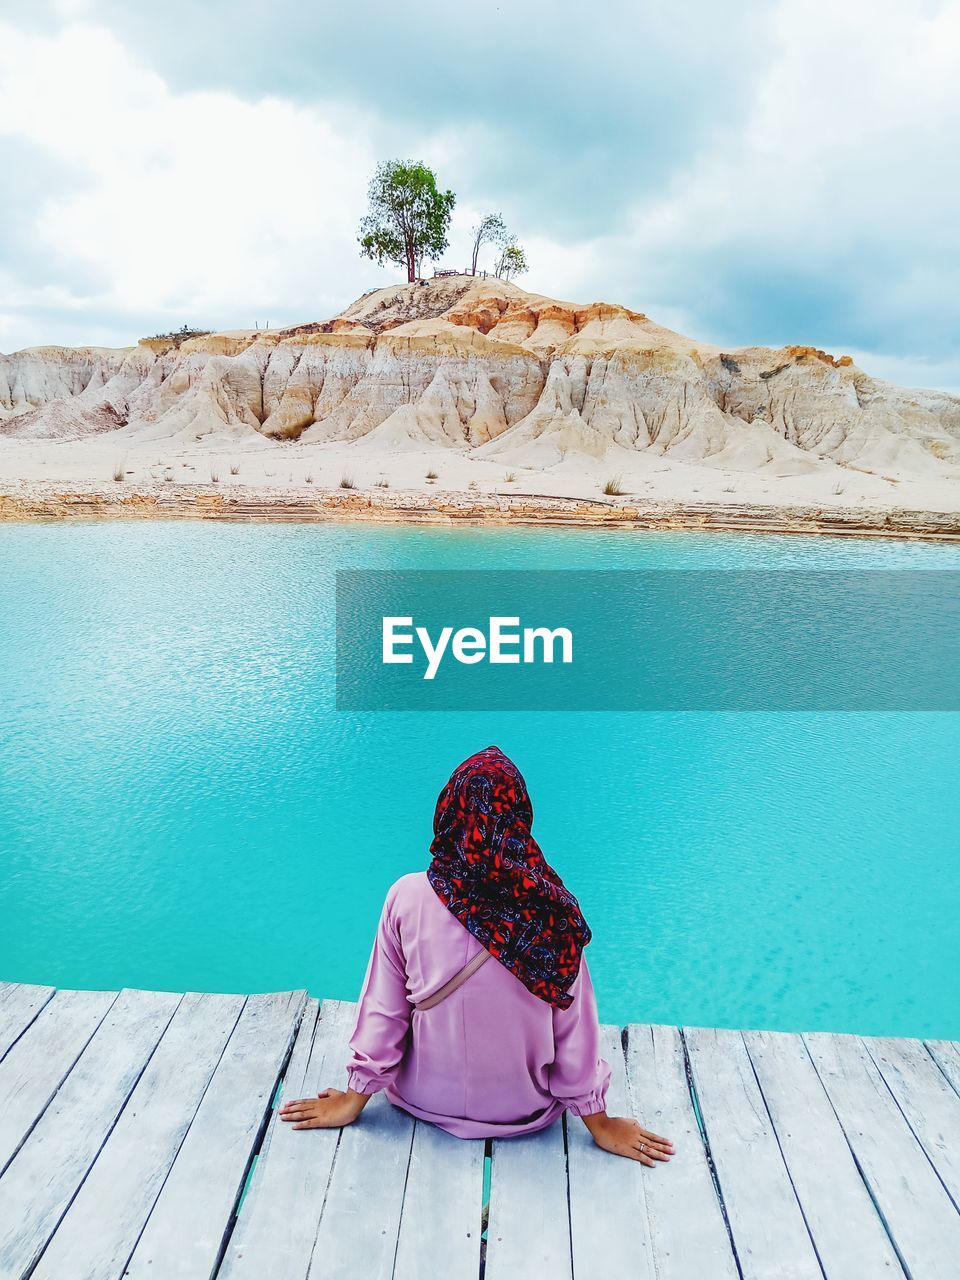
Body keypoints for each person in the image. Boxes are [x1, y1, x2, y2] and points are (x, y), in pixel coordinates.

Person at [280, 745, 674, 1165]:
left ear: (449, 811)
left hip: (422, 1096)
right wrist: (600, 1123)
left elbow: (384, 1012)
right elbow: (573, 1035)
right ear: (519, 817)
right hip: (524, 1108)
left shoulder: (406, 898)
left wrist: (351, 1101)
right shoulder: (553, 915)